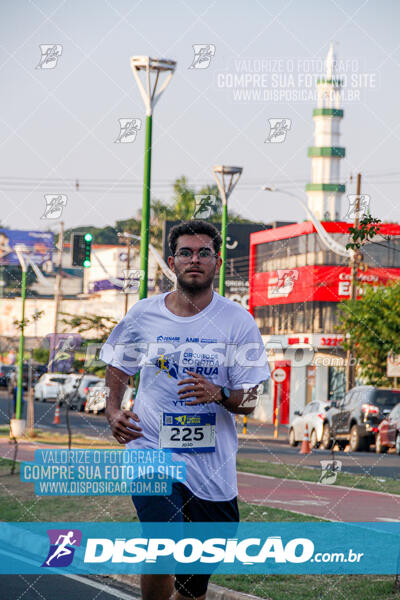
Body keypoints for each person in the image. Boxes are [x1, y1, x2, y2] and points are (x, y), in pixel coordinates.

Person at [100, 220, 270, 600]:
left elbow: (251, 400)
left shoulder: (237, 322)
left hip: (211, 462)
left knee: (200, 572)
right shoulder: (143, 315)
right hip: (150, 450)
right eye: (186, 253)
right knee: (164, 543)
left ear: (218, 262)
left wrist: (219, 393)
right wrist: (113, 410)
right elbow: (118, 366)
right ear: (173, 262)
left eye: (204, 252)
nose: (195, 259)